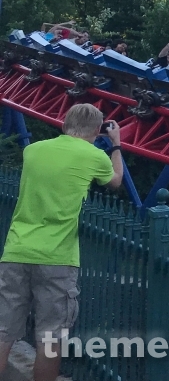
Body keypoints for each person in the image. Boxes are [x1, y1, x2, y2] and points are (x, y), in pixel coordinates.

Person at [0, 103, 122, 381]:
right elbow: (115, 181)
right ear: (96, 130)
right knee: (51, 339)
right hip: (58, 258)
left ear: (65, 124)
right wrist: (115, 146)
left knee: (3, 331)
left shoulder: (33, 151)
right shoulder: (94, 156)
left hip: (16, 250)